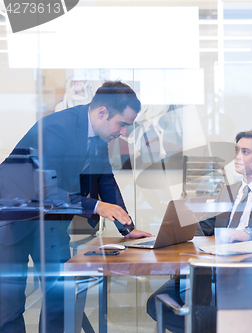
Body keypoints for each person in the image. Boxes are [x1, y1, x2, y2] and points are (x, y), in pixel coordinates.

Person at [0, 81, 151, 333]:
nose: (124, 133)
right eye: (122, 124)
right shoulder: (56, 130)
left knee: (60, 295)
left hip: (50, 222)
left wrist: (126, 227)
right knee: (10, 303)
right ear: (102, 112)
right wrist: (96, 206)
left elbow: (105, 178)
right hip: (13, 218)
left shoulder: (99, 134)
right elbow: (43, 191)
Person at [146, 130, 252, 332]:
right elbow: (207, 226)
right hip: (210, 269)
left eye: (245, 152)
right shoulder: (229, 191)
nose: (237, 157)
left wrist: (250, 233)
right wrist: (175, 232)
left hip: (250, 275)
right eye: (237, 150)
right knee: (155, 303)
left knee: (215, 309)